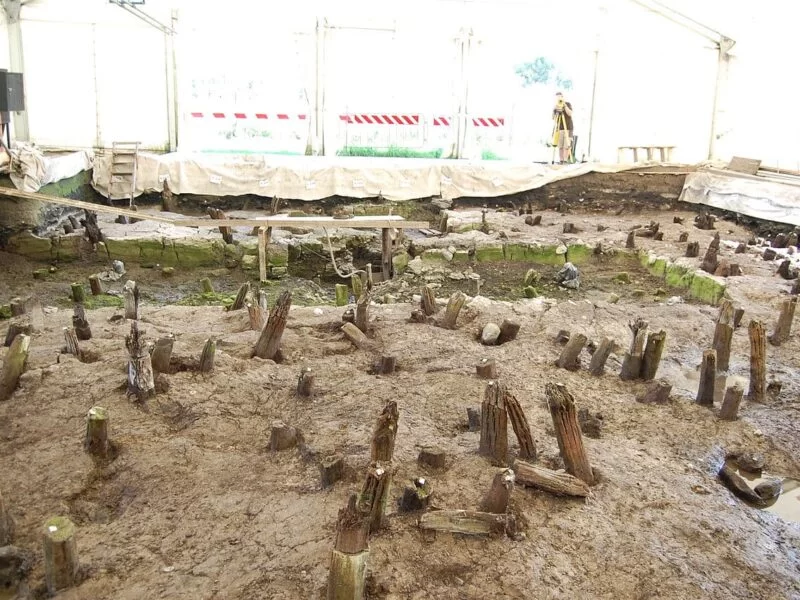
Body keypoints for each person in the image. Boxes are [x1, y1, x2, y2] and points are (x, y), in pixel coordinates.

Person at [552, 92, 574, 164]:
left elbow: (570, 113)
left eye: (560, 97)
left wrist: (564, 106)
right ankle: (561, 161)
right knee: (560, 146)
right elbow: (553, 118)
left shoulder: (567, 104)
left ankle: (565, 161)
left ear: (563, 97)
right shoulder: (556, 106)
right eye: (557, 97)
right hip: (560, 128)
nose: (559, 99)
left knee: (566, 146)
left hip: (568, 128)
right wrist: (554, 110)